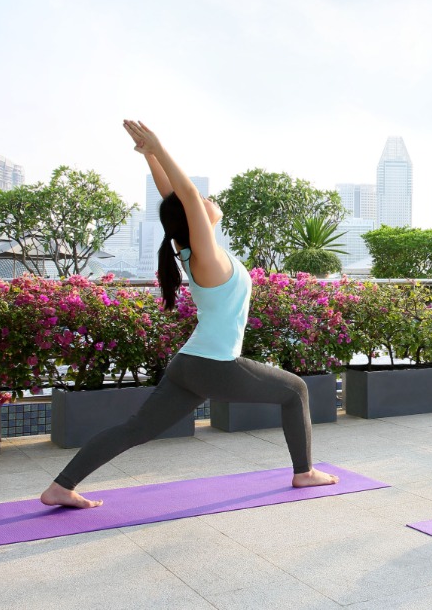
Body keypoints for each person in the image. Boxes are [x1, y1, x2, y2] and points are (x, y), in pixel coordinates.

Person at [40, 120, 337, 509]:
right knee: (295, 389)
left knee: (137, 429)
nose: (208, 201)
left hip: (190, 364)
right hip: (214, 364)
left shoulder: (186, 247)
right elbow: (186, 197)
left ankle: (61, 487)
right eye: (202, 202)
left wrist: (149, 156)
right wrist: (160, 148)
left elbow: (174, 201)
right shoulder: (206, 256)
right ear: (195, 215)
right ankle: (304, 472)